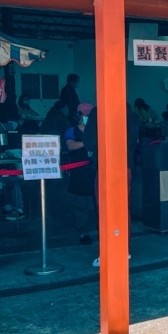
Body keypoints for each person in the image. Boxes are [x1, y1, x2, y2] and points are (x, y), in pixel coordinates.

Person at [84, 102, 141, 268]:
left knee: (105, 207)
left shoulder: (98, 112)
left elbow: (89, 141)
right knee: (123, 207)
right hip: (125, 166)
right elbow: (133, 141)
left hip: (105, 165)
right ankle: (124, 249)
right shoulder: (130, 113)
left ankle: (107, 251)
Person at [65, 102, 96, 245]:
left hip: (96, 171)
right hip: (79, 173)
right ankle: (83, 233)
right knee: (81, 205)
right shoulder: (72, 131)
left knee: (99, 204)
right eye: (86, 115)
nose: (88, 117)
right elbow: (71, 145)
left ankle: (102, 229)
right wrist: (88, 142)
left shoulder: (98, 130)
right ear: (79, 115)